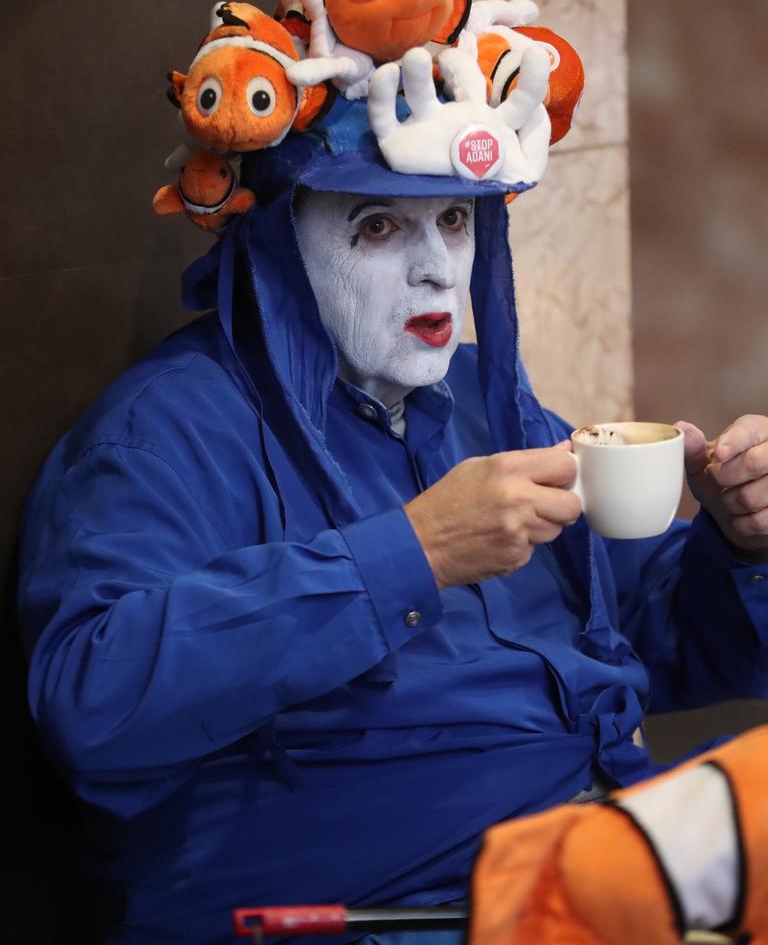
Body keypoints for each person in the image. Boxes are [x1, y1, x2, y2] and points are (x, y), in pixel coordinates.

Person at [16, 75, 768, 945]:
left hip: (596, 849)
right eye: (378, 228)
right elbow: (92, 703)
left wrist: (742, 544)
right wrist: (412, 551)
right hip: (398, 908)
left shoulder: (490, 406)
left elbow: (660, 637)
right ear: (274, 241)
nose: (437, 270)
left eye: (455, 223)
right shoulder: (162, 434)